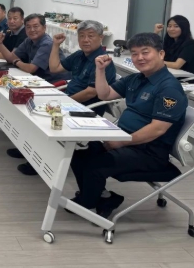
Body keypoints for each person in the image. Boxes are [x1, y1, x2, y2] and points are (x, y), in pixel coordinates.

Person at [70, 32, 187, 219]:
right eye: (134, 53)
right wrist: (100, 70)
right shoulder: (136, 79)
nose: (139, 58)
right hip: (125, 139)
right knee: (79, 152)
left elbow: (158, 129)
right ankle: (103, 198)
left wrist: (122, 142)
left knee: (95, 165)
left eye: (145, 52)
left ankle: (88, 202)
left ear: (161, 54)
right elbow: (105, 94)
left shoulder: (169, 88)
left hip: (149, 151)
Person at [7, 20, 118, 176]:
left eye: (90, 36)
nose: (85, 40)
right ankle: (27, 149)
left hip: (86, 108)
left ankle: (39, 161)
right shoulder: (79, 55)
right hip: (70, 101)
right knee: (31, 109)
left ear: (101, 38)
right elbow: (55, 68)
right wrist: (55, 45)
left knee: (43, 119)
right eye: (82, 36)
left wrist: (65, 102)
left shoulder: (103, 61)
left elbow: (90, 92)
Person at [0, 13, 72, 83]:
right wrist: (0, 43)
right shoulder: (28, 40)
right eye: (28, 27)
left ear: (44, 27)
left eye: (35, 26)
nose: (32, 30)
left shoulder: (47, 44)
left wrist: (16, 62)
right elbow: (11, 57)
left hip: (54, 83)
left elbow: (31, 69)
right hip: (37, 79)